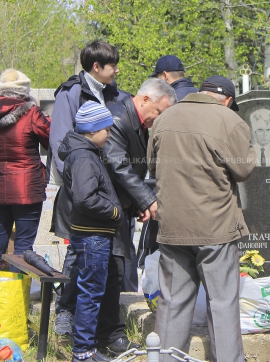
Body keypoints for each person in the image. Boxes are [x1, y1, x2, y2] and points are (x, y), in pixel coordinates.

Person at [148, 76, 256, 362]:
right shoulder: (228, 120)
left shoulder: (165, 118)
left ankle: (166, 359)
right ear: (229, 100)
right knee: (222, 302)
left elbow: (151, 165)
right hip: (215, 227)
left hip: (172, 226)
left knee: (172, 303)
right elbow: (244, 170)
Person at [49, 41, 130, 338]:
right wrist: (77, 181)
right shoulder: (70, 93)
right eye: (113, 65)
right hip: (81, 186)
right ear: (96, 67)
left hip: (106, 186)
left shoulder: (117, 95)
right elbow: (59, 142)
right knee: (77, 255)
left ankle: (104, 328)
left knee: (104, 261)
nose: (117, 70)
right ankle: (65, 312)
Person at [59, 101, 123, 362]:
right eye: (106, 130)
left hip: (91, 234)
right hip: (93, 235)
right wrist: (114, 211)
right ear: (93, 130)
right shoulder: (84, 157)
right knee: (90, 294)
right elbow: (85, 198)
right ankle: (83, 351)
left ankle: (87, 348)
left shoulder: (83, 152)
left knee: (92, 290)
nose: (108, 135)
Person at [0, 69, 50, 272]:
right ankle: (18, 299)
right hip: (26, 188)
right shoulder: (31, 112)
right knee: (23, 248)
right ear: (23, 90)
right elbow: (49, 137)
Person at [103, 79, 176, 273]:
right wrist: (147, 200)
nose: (159, 119)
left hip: (120, 206)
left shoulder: (138, 122)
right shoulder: (118, 119)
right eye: (159, 112)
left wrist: (137, 203)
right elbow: (118, 166)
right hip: (105, 208)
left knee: (120, 268)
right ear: (144, 99)